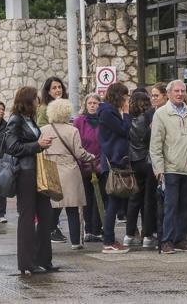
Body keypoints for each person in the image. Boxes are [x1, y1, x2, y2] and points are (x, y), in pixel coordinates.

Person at [5, 86, 55, 275]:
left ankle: (44, 259)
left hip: (37, 172)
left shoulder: (30, 120)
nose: (38, 102)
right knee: (27, 217)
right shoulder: (15, 120)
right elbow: (12, 147)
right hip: (25, 173)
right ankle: (26, 263)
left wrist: (42, 144)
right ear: (27, 101)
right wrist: (37, 145)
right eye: (35, 99)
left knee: (46, 214)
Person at [150, 80, 187, 254]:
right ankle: (167, 240)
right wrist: (158, 169)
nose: (180, 93)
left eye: (183, 90)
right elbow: (156, 144)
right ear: (169, 93)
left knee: (186, 205)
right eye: (177, 91)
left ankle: (180, 239)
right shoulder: (161, 114)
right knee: (170, 206)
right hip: (171, 167)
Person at [42, 99, 95, 250]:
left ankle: (45, 235)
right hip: (69, 170)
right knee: (72, 207)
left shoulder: (44, 130)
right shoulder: (72, 130)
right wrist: (91, 157)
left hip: (50, 168)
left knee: (53, 206)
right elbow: (79, 153)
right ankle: (75, 242)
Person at [97, 82, 132, 254]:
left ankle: (110, 239)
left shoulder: (108, 111)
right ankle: (108, 240)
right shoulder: (107, 112)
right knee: (112, 202)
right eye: (125, 96)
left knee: (115, 202)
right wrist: (126, 114)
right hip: (112, 162)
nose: (127, 99)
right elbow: (124, 130)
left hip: (115, 160)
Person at [37, 77, 69, 241]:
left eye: (59, 87)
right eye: (54, 88)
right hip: (50, 154)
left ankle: (52, 225)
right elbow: (42, 130)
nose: (58, 90)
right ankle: (50, 226)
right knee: (55, 193)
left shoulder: (64, 106)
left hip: (62, 154)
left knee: (60, 193)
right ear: (48, 91)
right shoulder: (44, 109)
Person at [124, 91, 157, 248]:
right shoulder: (148, 118)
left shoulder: (129, 120)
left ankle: (129, 234)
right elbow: (150, 139)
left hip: (134, 160)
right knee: (149, 200)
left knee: (134, 198)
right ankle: (148, 235)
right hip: (148, 161)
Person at [74, 93, 105, 242]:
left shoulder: (104, 120)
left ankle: (97, 229)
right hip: (85, 164)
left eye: (95, 103)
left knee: (100, 197)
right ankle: (89, 230)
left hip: (101, 164)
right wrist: (82, 161)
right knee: (87, 198)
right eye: (90, 103)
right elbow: (76, 143)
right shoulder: (80, 121)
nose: (92, 105)